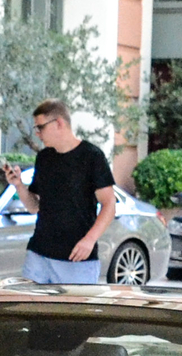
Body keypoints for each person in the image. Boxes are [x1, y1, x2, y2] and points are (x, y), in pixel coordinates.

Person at [11, 99, 118, 285]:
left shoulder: (92, 157)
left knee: (73, 314)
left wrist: (89, 240)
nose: (37, 134)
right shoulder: (44, 158)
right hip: (39, 254)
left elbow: (109, 204)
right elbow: (34, 207)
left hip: (77, 260)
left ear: (59, 123)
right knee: (29, 311)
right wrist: (18, 185)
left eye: (40, 128)